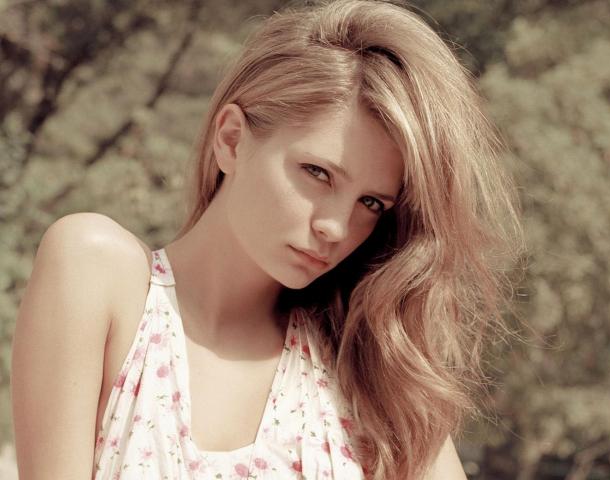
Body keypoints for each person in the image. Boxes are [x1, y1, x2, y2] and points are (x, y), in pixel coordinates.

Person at [10, 0, 523, 478]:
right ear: (231, 139)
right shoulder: (99, 273)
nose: (335, 227)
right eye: (318, 173)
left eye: (371, 203)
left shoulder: (369, 372)